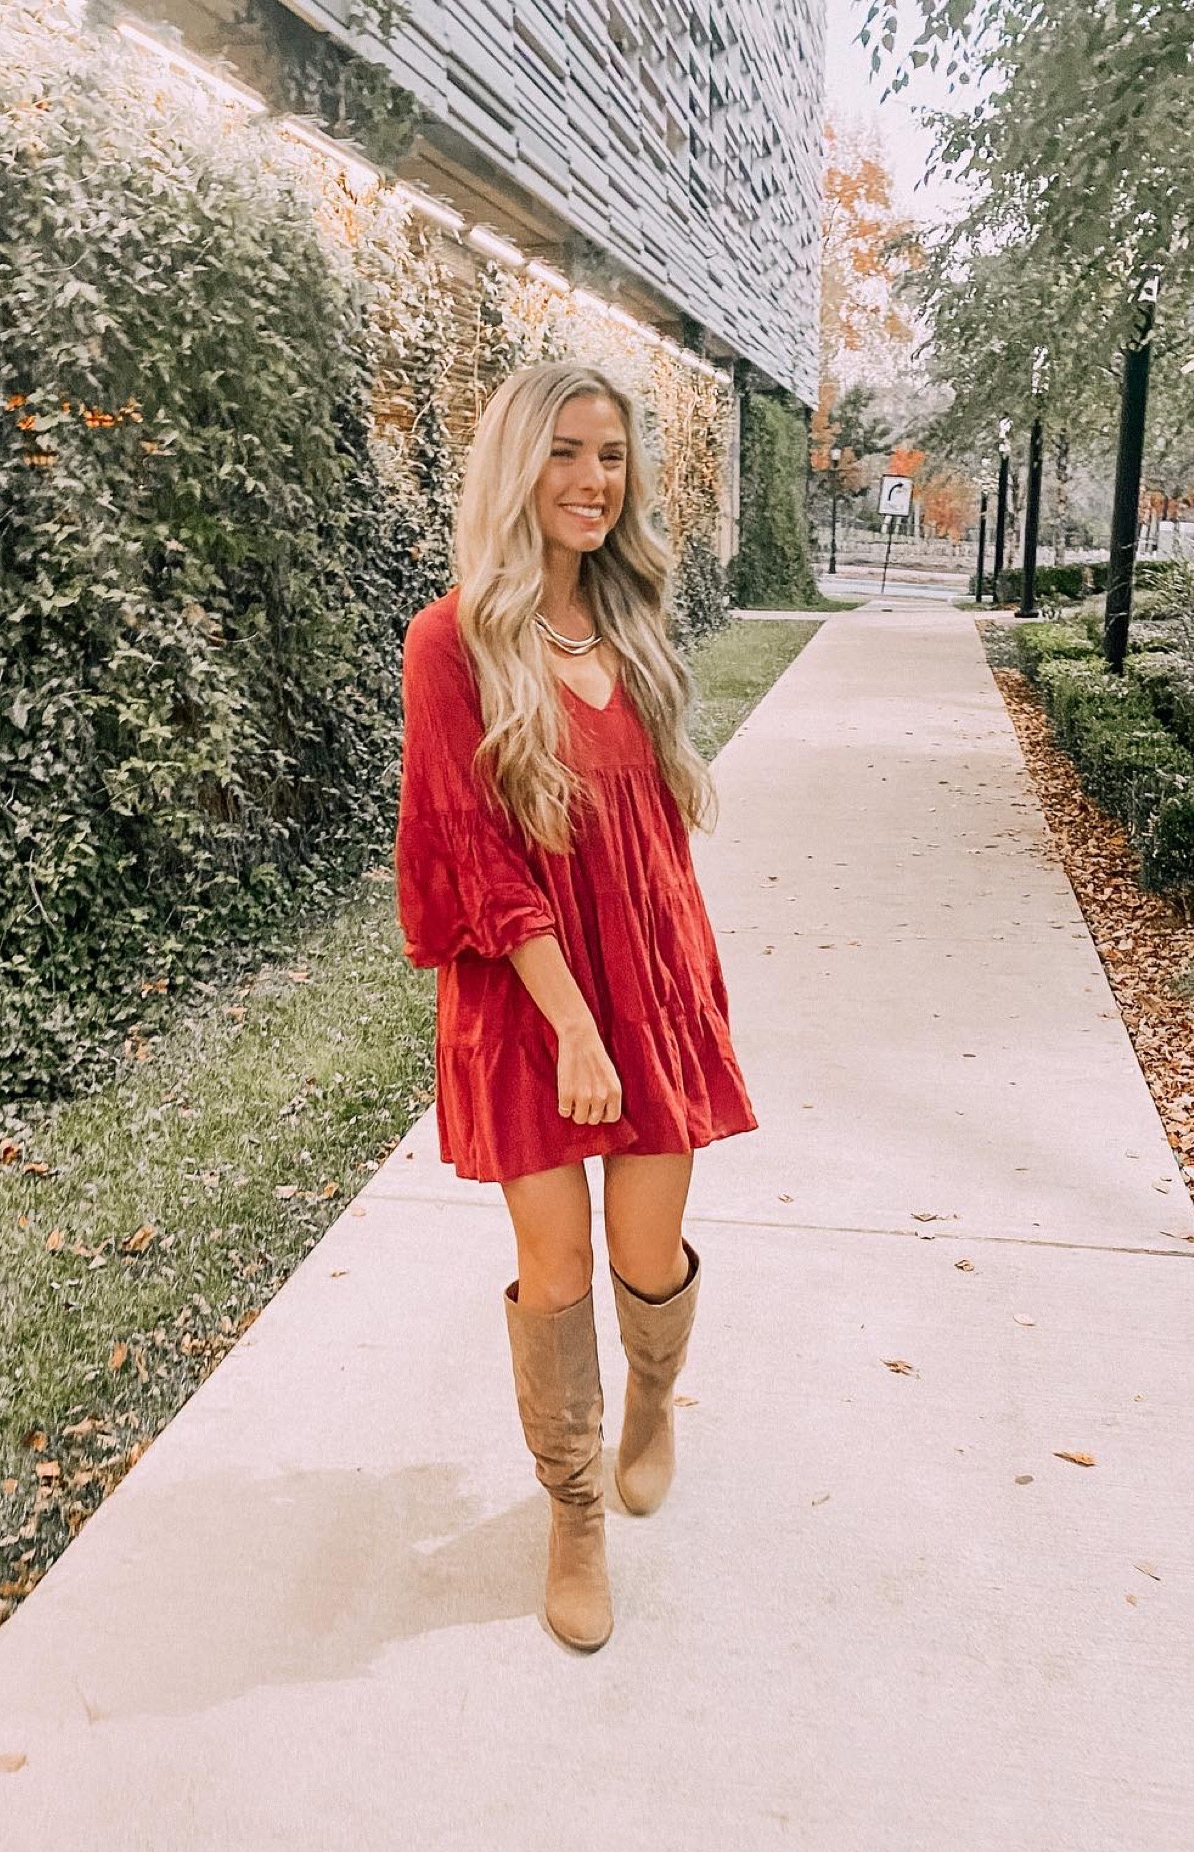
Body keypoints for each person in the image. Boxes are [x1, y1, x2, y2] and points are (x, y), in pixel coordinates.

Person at [392, 359, 757, 1652]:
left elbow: (648, 835)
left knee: (645, 1257)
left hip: (646, 976)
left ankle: (653, 1404)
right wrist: (574, 1026)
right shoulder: (451, 646)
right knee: (554, 1271)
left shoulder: (632, 623)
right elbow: (470, 855)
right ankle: (574, 1515)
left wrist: (649, 998)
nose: (592, 481)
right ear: (514, 469)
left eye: (610, 456)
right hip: (528, 1002)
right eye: (564, 453)